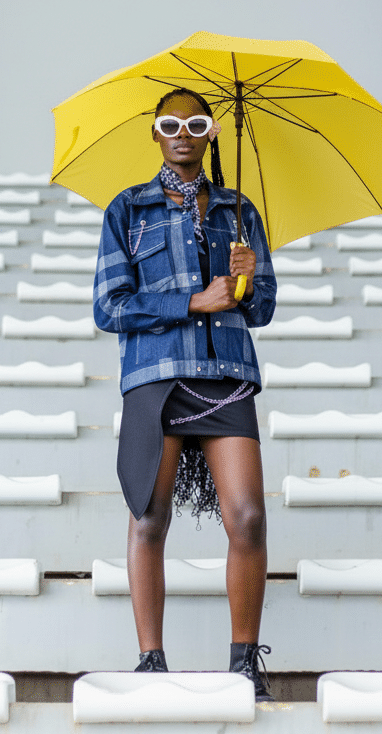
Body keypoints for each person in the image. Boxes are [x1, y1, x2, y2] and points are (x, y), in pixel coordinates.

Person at [93, 87, 278, 700]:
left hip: (224, 373)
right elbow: (108, 306)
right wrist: (192, 300)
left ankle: (245, 662)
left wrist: (247, 280)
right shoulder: (127, 209)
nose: (181, 132)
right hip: (157, 377)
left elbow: (265, 307)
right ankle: (151, 660)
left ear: (210, 134)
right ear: (155, 132)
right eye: (169, 123)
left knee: (248, 516)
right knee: (149, 516)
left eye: (194, 123)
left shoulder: (239, 211)